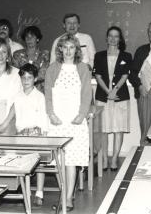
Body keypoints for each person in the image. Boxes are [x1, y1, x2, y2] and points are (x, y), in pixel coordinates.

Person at [45, 34, 92, 212]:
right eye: (65, 47)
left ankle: (68, 198)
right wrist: (51, 114)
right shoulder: (52, 69)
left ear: (77, 50)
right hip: (57, 120)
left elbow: (87, 94)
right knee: (59, 160)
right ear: (60, 49)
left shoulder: (82, 68)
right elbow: (48, 95)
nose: (68, 51)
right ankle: (64, 192)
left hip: (75, 120)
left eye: (72, 47)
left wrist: (81, 115)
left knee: (71, 159)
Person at [94, 26, 132, 171]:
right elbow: (97, 76)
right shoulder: (99, 55)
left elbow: (125, 75)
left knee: (118, 129)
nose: (113, 38)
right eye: (110, 35)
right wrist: (108, 91)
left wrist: (114, 90)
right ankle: (104, 159)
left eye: (116, 36)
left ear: (120, 39)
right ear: (106, 37)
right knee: (103, 129)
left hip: (120, 96)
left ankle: (115, 158)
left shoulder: (126, 56)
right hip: (103, 96)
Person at [14, 63, 49, 206]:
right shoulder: (17, 97)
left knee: (39, 164)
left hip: (38, 135)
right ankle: (26, 192)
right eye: (24, 77)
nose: (26, 80)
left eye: (29, 77)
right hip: (22, 135)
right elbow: (18, 119)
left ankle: (39, 192)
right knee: (23, 164)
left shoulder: (40, 96)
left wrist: (41, 133)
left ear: (35, 79)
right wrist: (21, 130)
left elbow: (43, 119)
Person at [12, 26, 49, 92]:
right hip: (21, 90)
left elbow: (43, 74)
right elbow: (15, 74)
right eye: (27, 37)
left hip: (40, 92)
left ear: (37, 39)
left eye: (32, 37)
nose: (29, 39)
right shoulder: (17, 54)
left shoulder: (45, 54)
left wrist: (27, 78)